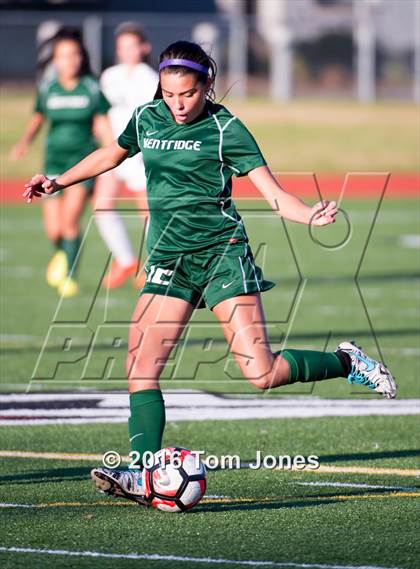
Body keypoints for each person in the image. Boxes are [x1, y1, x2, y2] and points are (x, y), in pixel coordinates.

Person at [23, 41, 397, 506]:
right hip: (168, 259)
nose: (178, 105)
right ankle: (143, 473)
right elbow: (111, 156)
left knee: (261, 373)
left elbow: (272, 193)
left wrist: (308, 215)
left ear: (207, 86)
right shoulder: (147, 118)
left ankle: (347, 362)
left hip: (222, 254)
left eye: (187, 94)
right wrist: (57, 180)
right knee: (140, 367)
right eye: (169, 94)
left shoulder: (226, 128)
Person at [12, 31, 112, 298]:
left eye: (75, 54)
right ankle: (61, 254)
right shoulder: (48, 88)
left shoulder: (91, 87)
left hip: (81, 165)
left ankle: (70, 276)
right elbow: (38, 117)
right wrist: (24, 143)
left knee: (70, 221)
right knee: (54, 230)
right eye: (64, 55)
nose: (71, 60)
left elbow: (102, 123)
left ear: (82, 57)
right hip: (52, 163)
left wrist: (112, 155)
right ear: (55, 60)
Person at [94, 23, 158, 289]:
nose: (126, 51)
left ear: (144, 48)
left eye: (132, 46)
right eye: (122, 47)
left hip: (139, 153)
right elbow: (101, 113)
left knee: (148, 212)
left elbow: (155, 119)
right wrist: (105, 144)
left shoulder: (150, 78)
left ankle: (153, 266)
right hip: (113, 151)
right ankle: (125, 260)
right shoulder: (109, 76)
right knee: (102, 206)